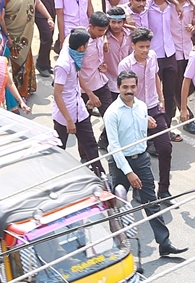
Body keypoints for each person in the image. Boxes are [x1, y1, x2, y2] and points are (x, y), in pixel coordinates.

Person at [106, 70, 184, 260]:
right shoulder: (112, 113)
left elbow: (141, 134)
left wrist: (147, 123)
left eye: (133, 86)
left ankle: (164, 244)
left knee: (152, 203)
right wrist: (129, 173)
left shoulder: (141, 107)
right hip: (120, 165)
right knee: (119, 208)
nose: (129, 90)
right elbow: (115, 148)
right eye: (125, 87)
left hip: (141, 160)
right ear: (118, 88)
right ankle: (121, 251)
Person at [52, 27, 97, 167]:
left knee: (91, 145)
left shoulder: (74, 55)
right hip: (64, 114)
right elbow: (57, 94)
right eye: (87, 44)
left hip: (79, 109)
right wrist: (69, 120)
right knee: (58, 149)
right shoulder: (63, 65)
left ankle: (99, 174)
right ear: (82, 46)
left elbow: (77, 77)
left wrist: (90, 93)